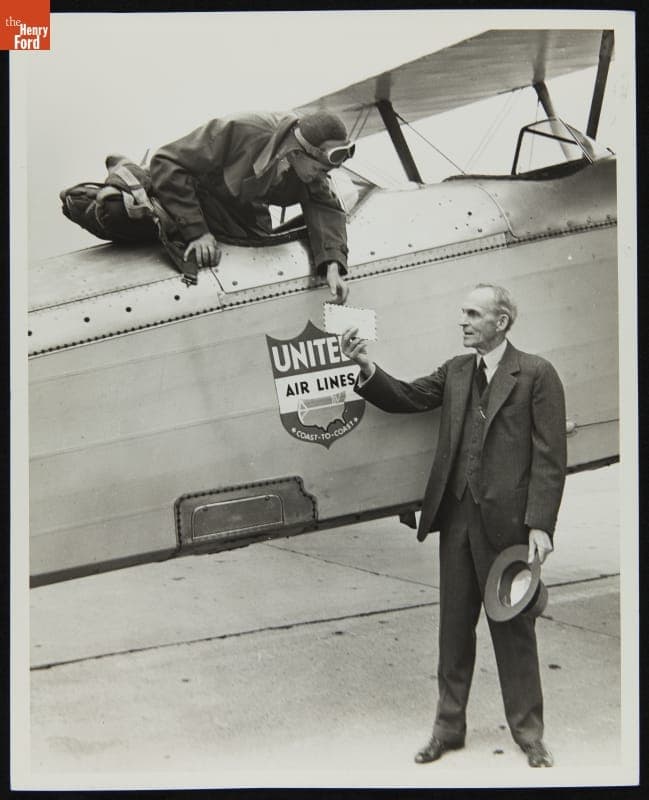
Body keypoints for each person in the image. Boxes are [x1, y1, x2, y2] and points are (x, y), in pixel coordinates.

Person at [341, 283, 567, 768]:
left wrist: (540, 526)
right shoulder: (457, 371)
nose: (462, 321)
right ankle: (448, 728)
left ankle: (529, 734)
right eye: (462, 313)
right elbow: (405, 396)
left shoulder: (536, 374)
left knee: (514, 632)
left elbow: (550, 457)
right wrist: (365, 368)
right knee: (452, 632)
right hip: (457, 521)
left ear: (501, 321)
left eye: (472, 314)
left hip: (508, 529)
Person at [149, 110, 355, 301]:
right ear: (296, 152)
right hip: (197, 202)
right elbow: (166, 161)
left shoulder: (306, 168)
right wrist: (197, 232)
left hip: (244, 213)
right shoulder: (244, 130)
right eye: (318, 169)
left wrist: (333, 266)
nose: (320, 177)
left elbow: (325, 207)